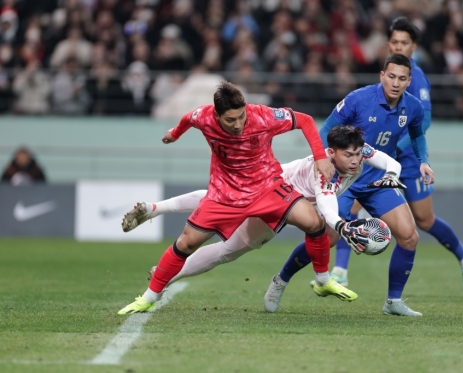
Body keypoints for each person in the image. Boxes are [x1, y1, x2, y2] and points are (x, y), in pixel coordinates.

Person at [118, 81, 354, 314]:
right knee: (186, 243)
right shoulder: (204, 116)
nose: (238, 124)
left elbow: (304, 120)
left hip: (266, 188)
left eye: (241, 116)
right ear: (217, 116)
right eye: (230, 120)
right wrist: (175, 133)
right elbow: (189, 118)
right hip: (225, 193)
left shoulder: (262, 116)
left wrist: (319, 157)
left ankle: (322, 281)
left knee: (314, 222)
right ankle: (150, 296)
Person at [121, 126, 405, 310]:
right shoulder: (326, 172)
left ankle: (155, 209)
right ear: (330, 153)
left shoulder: (358, 152)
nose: (356, 161)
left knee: (216, 196)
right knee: (226, 251)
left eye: (358, 155)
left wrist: (393, 175)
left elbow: (389, 161)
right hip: (277, 201)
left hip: (267, 180)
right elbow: (327, 207)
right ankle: (169, 274)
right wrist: (343, 226)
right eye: (349, 156)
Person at [265, 54, 434, 316]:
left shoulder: (412, 107)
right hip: (343, 179)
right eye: (391, 76)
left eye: (402, 78)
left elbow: (417, 134)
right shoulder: (358, 99)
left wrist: (423, 161)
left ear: (409, 81)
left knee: (410, 236)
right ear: (382, 75)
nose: (396, 83)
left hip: (377, 181)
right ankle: (281, 281)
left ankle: (393, 302)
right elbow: (325, 131)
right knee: (326, 238)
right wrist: (323, 162)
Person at [331, 17, 463, 295]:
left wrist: (394, 150)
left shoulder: (417, 78)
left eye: (405, 42)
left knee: (424, 220)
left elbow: (423, 123)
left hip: (406, 159)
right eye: (395, 42)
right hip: (379, 159)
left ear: (414, 46)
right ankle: (341, 270)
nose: (399, 46)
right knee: (349, 207)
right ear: (389, 44)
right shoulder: (387, 75)